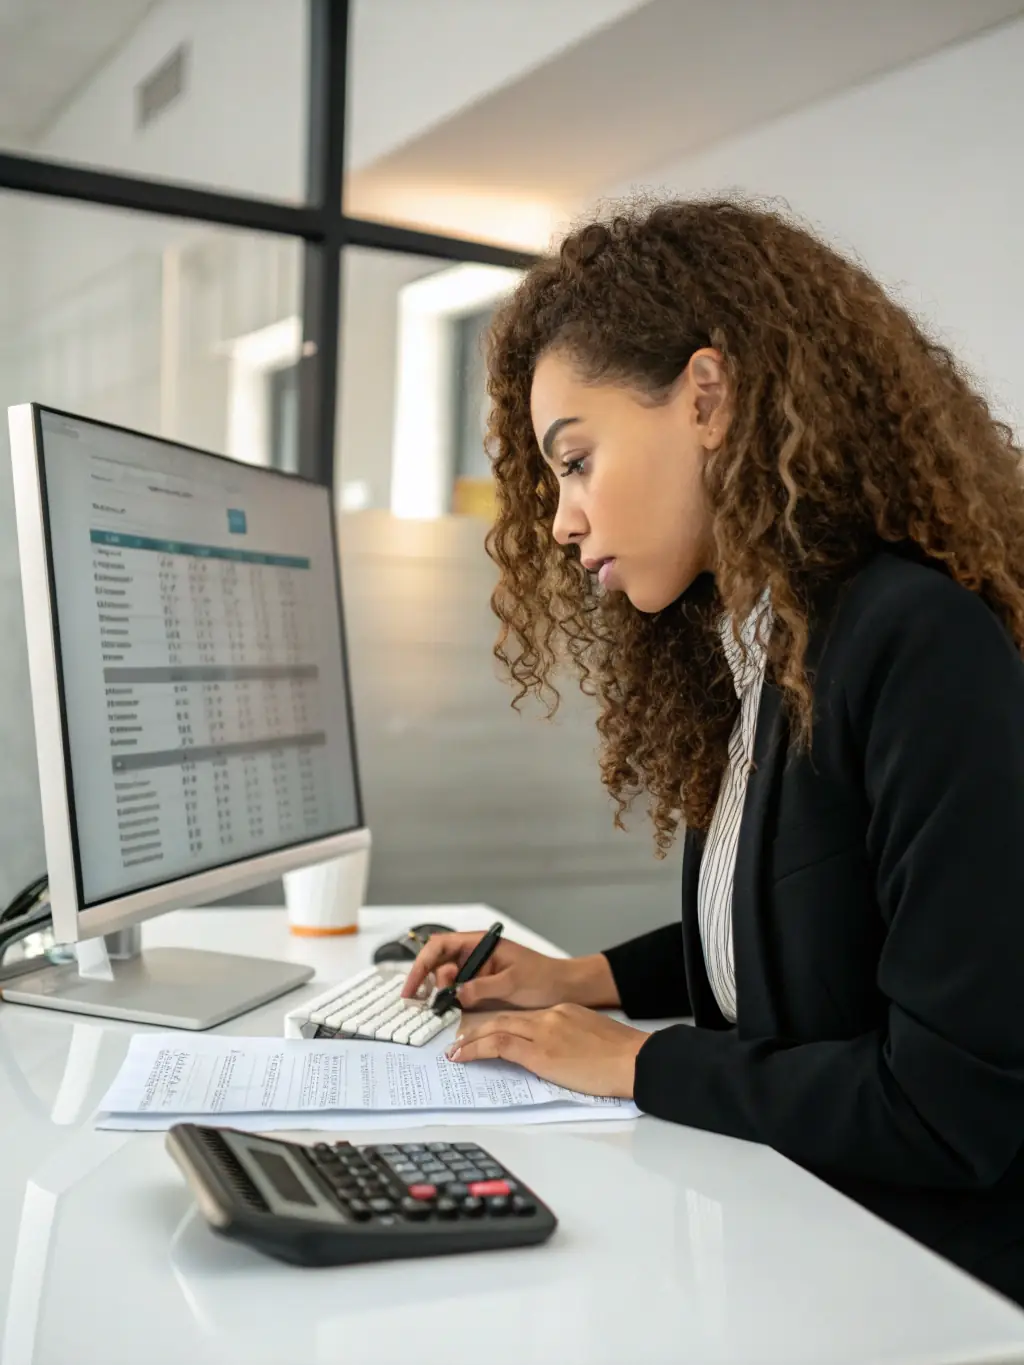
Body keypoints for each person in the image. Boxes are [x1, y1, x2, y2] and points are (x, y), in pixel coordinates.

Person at [402, 198, 1024, 1304]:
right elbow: (802, 928)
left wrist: (640, 1061)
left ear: (706, 397)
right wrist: (585, 981)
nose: (557, 521)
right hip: (804, 1228)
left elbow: (949, 1107)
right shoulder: (767, 643)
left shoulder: (912, 641)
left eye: (577, 461)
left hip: (928, 1288)